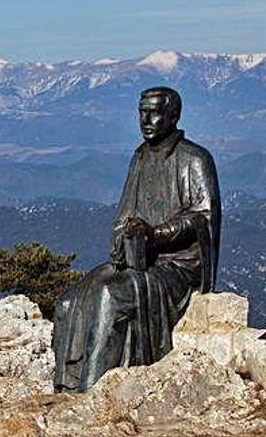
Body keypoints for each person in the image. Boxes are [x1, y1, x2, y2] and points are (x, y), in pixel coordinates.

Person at [52, 87, 220, 393]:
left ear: (173, 116)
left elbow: (204, 217)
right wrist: (124, 239)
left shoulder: (195, 159)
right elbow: (123, 214)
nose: (146, 119)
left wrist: (158, 234)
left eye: (155, 112)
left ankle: (89, 394)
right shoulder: (140, 157)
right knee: (67, 303)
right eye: (142, 112)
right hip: (137, 256)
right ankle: (65, 387)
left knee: (109, 296)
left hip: (177, 267)